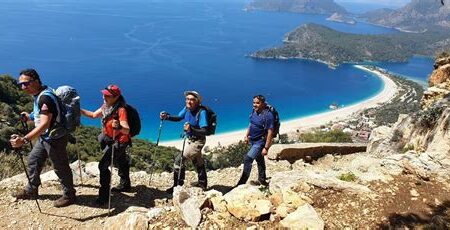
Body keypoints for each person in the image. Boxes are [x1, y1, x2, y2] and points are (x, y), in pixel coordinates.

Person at [10, 68, 76, 207]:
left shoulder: (44, 98)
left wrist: (24, 140)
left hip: (55, 138)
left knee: (60, 167)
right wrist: (30, 116)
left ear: (36, 81)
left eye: (26, 83)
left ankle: (69, 195)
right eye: (20, 84)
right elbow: (42, 114)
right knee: (33, 160)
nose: (23, 87)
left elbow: (45, 123)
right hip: (46, 137)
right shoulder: (40, 94)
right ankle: (31, 190)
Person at [80, 84, 131, 205]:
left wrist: (118, 126)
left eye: (107, 96)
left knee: (102, 166)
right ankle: (125, 185)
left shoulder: (121, 110)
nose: (104, 97)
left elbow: (127, 129)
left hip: (119, 141)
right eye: (104, 94)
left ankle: (104, 195)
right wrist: (78, 110)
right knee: (122, 161)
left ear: (116, 97)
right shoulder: (106, 106)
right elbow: (93, 115)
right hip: (110, 138)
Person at [160, 91, 208, 193]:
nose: (189, 101)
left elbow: (205, 130)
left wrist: (191, 130)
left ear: (197, 101)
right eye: (187, 99)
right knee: (197, 161)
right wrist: (167, 117)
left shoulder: (201, 112)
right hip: (191, 140)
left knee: (179, 160)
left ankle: (177, 186)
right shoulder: (186, 108)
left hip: (197, 141)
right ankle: (203, 183)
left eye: (192, 99)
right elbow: (179, 117)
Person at [236, 95, 274, 187]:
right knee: (259, 160)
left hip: (260, 142)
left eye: (257, 103)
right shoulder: (254, 111)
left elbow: (270, 132)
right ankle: (262, 180)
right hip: (252, 140)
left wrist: (266, 147)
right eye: (254, 102)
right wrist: (247, 135)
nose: (254, 105)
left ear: (263, 103)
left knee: (248, 159)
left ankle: (241, 184)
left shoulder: (268, 115)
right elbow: (251, 124)